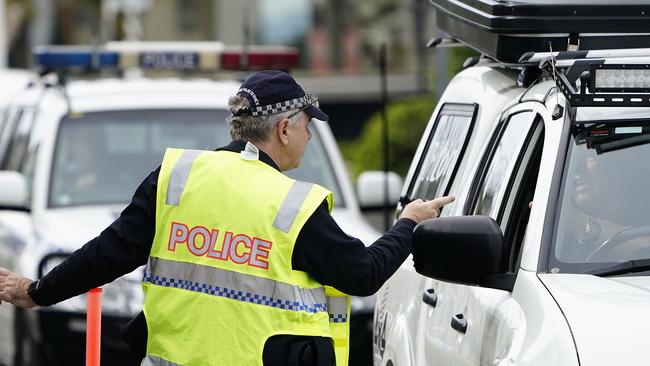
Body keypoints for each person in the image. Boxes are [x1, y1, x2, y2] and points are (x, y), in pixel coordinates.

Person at [0, 70, 454, 366]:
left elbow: (107, 253)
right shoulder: (294, 205)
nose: (310, 136)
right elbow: (363, 274)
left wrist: (38, 291)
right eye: (307, 125)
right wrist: (409, 224)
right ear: (283, 128)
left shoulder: (176, 178)